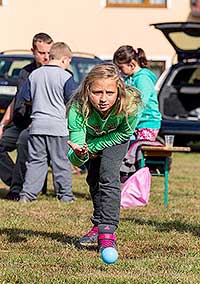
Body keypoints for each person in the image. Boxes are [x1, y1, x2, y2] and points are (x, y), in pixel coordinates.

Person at [67, 63, 141, 254]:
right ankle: (98, 224)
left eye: (109, 92)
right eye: (97, 92)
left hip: (117, 138)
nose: (103, 99)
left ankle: (107, 231)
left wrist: (92, 146)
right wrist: (80, 153)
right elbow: (75, 157)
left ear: (118, 92)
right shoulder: (77, 109)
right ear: (87, 90)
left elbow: (124, 133)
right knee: (93, 179)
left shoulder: (130, 105)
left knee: (108, 175)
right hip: (92, 141)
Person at [19, 42, 77, 203]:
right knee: (60, 162)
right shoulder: (66, 77)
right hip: (58, 127)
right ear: (64, 59)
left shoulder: (34, 74)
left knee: (35, 161)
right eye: (69, 62)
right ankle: (65, 196)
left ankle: (27, 195)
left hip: (37, 125)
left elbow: (25, 98)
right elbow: (73, 101)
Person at [0, 32, 53, 200]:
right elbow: (17, 100)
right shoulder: (25, 72)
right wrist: (2, 125)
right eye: (41, 53)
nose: (46, 57)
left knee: (24, 140)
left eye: (48, 53)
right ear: (33, 51)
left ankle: (17, 189)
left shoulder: (56, 73)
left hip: (41, 125)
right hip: (20, 122)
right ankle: (15, 180)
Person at [113, 45, 162, 173]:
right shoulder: (130, 79)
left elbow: (140, 104)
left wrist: (129, 124)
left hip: (147, 123)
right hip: (135, 123)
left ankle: (139, 178)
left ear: (132, 64)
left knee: (135, 154)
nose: (120, 71)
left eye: (121, 67)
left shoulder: (143, 79)